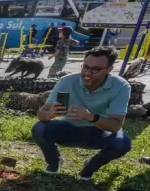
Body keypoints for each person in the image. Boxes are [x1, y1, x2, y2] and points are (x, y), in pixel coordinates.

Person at [33, 47, 131, 181]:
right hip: (68, 128)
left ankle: (89, 167)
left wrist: (91, 117)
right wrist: (50, 114)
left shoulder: (120, 86)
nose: (87, 73)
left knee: (122, 143)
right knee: (39, 128)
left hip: (99, 132)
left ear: (109, 69)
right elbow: (41, 114)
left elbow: (115, 126)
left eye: (95, 69)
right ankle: (54, 161)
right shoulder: (67, 81)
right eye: (85, 67)